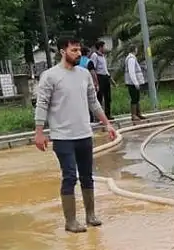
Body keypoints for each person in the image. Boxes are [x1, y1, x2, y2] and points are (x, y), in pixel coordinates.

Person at [35, 37, 117, 233]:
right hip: (62, 137)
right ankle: (70, 221)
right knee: (70, 176)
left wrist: (107, 124)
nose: (78, 54)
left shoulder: (84, 75)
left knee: (88, 176)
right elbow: (42, 104)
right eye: (73, 50)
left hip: (83, 134)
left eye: (79, 50)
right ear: (63, 51)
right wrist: (39, 132)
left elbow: (93, 102)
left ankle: (90, 215)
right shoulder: (50, 76)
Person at [90, 41, 113, 119]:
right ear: (100, 47)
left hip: (106, 77)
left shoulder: (103, 56)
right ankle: (99, 116)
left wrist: (110, 79)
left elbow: (105, 69)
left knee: (108, 97)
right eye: (104, 46)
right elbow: (93, 68)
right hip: (99, 77)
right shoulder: (95, 55)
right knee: (100, 97)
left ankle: (108, 114)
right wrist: (95, 80)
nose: (105, 48)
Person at [124, 46, 147, 121]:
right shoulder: (131, 59)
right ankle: (133, 115)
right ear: (135, 50)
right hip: (132, 83)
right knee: (134, 98)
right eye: (136, 49)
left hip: (134, 82)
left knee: (137, 98)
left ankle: (138, 113)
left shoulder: (132, 58)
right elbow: (131, 72)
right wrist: (136, 83)